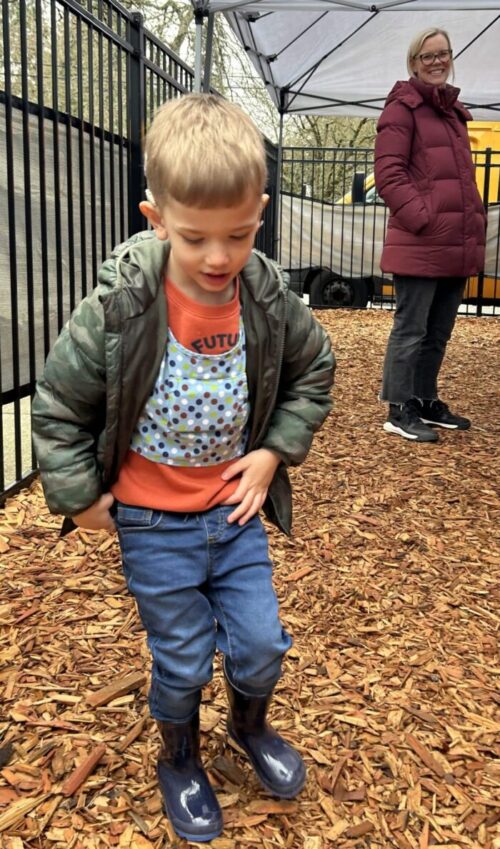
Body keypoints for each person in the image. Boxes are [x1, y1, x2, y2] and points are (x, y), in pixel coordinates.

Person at [31, 93, 335, 842]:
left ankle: (250, 725)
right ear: (154, 215)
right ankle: (179, 755)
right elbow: (59, 403)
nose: (219, 257)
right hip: (151, 521)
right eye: (195, 236)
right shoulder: (122, 305)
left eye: (238, 233)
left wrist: (271, 452)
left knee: (262, 643)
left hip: (231, 513)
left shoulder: (263, 294)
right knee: (183, 655)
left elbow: (314, 369)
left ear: (260, 211)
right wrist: (77, 496)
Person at [375, 27, 486, 442]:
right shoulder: (402, 109)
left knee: (437, 332)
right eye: (428, 56)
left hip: (455, 243)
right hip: (422, 241)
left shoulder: (452, 114)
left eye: (443, 54)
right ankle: (398, 407)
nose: (437, 61)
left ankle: (423, 398)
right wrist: (424, 219)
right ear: (414, 62)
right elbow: (388, 175)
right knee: (411, 328)